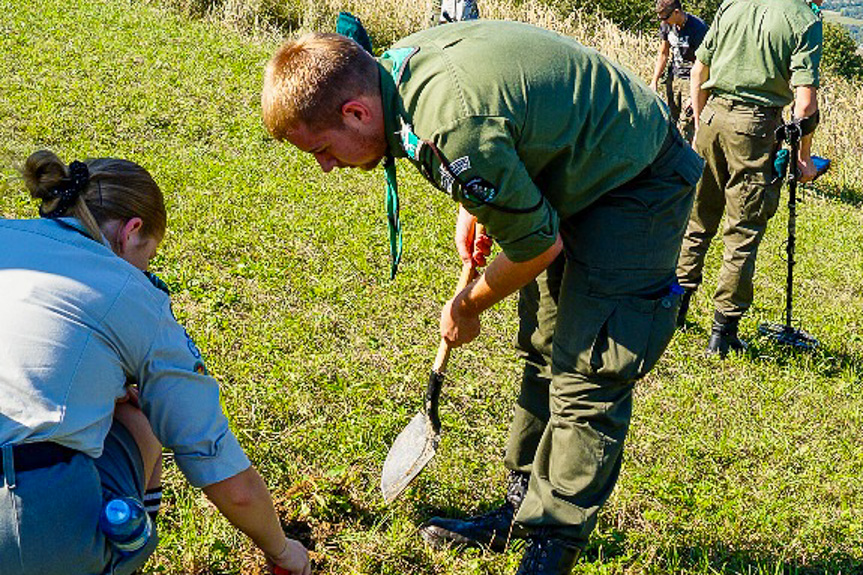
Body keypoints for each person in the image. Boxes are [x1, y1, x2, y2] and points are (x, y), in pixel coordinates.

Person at [262, 21, 703, 574]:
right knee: (544, 344)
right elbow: (501, 121)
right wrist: (478, 203)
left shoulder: (452, 125)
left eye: (323, 149)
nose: (326, 166)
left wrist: (466, 306)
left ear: (356, 113)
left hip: (635, 179)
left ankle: (550, 546)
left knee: (589, 368)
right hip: (574, 165)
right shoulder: (392, 75)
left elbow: (537, 245)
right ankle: (520, 506)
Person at [0, 150, 310, 575]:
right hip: (30, 525)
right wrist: (284, 552)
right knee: (140, 419)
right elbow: (219, 466)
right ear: (131, 232)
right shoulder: (132, 291)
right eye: (148, 257)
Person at [676, 0, 823, 356]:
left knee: (697, 221)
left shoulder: (734, 3)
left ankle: (672, 311)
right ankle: (722, 333)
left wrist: (700, 126)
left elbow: (698, 71)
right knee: (743, 231)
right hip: (754, 127)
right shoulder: (804, 19)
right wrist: (804, 160)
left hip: (712, 117)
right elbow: (804, 106)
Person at [648, 0, 708, 143]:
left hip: (691, 80)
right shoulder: (667, 26)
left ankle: (690, 158)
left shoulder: (698, 28)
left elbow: (705, 65)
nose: (663, 22)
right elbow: (663, 53)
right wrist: (654, 81)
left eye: (665, 18)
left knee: (688, 121)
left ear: (676, 12)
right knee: (669, 119)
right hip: (673, 77)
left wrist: (696, 95)